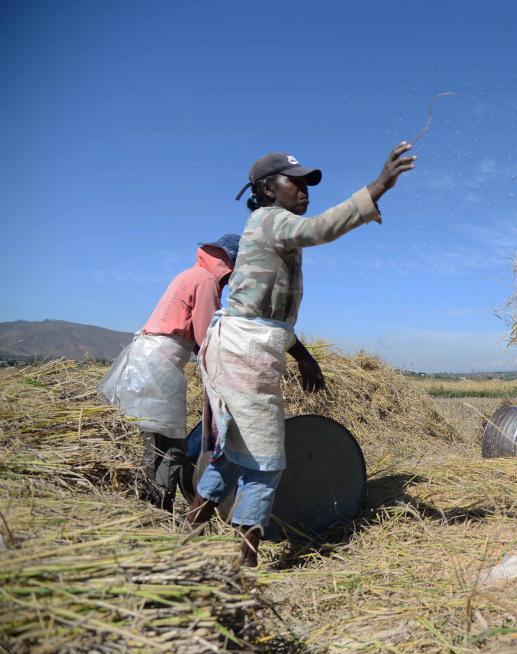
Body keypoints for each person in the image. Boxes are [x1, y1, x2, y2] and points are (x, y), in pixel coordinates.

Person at [186, 144, 415, 566]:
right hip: (244, 351)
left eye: (309, 182)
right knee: (266, 461)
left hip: (242, 347)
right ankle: (246, 563)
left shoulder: (271, 227)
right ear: (267, 189)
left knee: (230, 450)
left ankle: (191, 530)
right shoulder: (272, 220)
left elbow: (271, 318)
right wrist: (379, 187)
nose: (305, 189)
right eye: (297, 181)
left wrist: (303, 356)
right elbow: (320, 229)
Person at [99, 234, 240, 511]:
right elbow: (206, 336)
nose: (228, 283)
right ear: (228, 263)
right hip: (157, 367)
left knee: (152, 440)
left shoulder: (191, 274)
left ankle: (146, 506)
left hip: (147, 360)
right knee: (171, 446)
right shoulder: (206, 281)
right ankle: (158, 511)